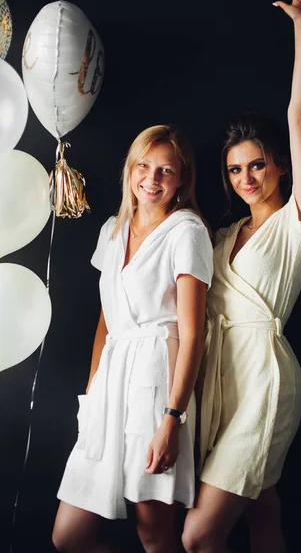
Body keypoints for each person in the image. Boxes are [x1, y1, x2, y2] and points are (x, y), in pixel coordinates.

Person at [183, 0, 301, 553]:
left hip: (265, 384)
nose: (247, 179)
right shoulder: (222, 235)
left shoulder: (298, 221)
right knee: (265, 513)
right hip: (221, 384)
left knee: (197, 538)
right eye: (236, 170)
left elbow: (299, 119)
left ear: (280, 167)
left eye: (258, 166)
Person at [53, 125, 213, 553]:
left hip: (157, 382)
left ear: (182, 179)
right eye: (144, 165)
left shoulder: (187, 232)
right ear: (130, 170)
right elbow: (106, 324)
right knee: (68, 536)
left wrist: (171, 420)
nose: (152, 179)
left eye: (165, 170)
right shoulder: (111, 230)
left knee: (154, 534)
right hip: (109, 384)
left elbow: (193, 333)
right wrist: (91, 396)